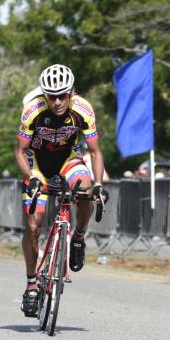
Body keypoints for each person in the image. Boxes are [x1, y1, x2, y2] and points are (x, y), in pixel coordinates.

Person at [14, 64, 108, 317]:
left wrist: (99, 183)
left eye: (62, 95)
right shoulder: (33, 110)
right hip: (37, 163)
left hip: (67, 158)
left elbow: (95, 151)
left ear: (71, 92)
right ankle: (32, 285)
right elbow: (20, 151)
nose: (56, 102)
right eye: (51, 96)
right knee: (34, 225)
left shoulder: (83, 109)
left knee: (86, 189)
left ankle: (78, 237)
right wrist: (29, 176)